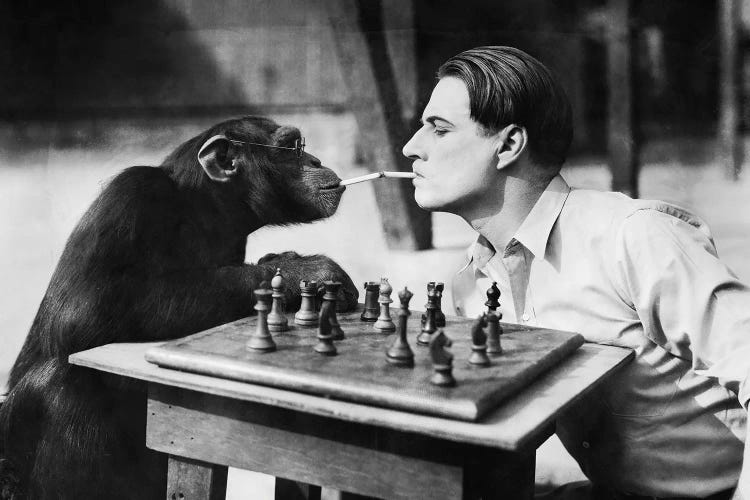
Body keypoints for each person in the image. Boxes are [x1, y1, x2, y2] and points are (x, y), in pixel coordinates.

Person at [402, 45, 749, 500]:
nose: (411, 147)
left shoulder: (632, 236)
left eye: (439, 129)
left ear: (508, 145)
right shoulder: (471, 283)